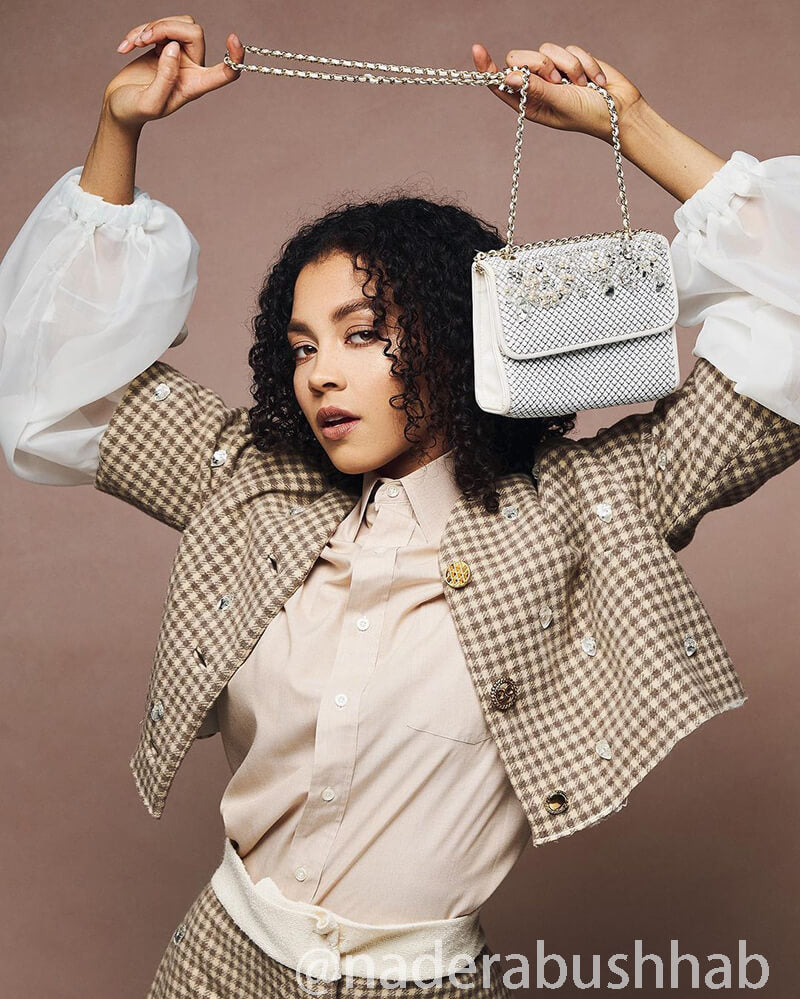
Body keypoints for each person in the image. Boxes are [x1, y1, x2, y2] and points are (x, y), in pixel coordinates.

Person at [1, 15, 799, 999]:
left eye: (361, 333)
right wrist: (118, 132)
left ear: (456, 340)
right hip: (217, 966)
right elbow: (57, 384)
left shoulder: (589, 507)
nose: (321, 375)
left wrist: (627, 125)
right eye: (302, 346)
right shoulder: (248, 482)